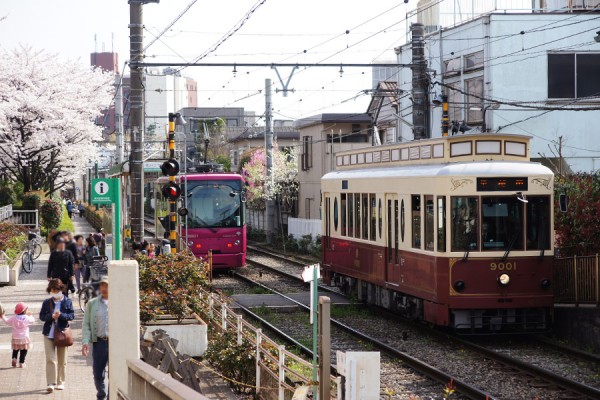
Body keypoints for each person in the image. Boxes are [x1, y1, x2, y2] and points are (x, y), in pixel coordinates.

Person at [40, 279, 75, 393]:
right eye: (52, 290)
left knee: (62, 359)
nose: (54, 292)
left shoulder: (67, 301)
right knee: (50, 358)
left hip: (62, 334)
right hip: (48, 333)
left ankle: (60, 382)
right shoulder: (47, 302)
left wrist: (61, 316)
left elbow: (71, 316)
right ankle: (50, 383)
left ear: (61, 290)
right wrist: (51, 316)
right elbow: (42, 316)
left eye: (56, 290)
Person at [82, 276, 109, 400]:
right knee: (98, 373)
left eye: (107, 285)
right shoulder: (92, 304)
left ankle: (111, 396)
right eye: (102, 285)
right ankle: (101, 395)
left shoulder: (118, 304)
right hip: (99, 342)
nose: (104, 288)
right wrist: (85, 342)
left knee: (115, 373)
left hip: (115, 343)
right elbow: (86, 324)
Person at [1, 302, 35, 368]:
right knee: (24, 350)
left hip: (15, 337)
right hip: (24, 337)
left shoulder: (14, 318)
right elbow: (32, 321)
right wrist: (30, 315)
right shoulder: (27, 318)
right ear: (24, 310)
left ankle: (14, 358)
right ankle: (21, 362)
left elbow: (7, 321)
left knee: (15, 349)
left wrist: (2, 316)